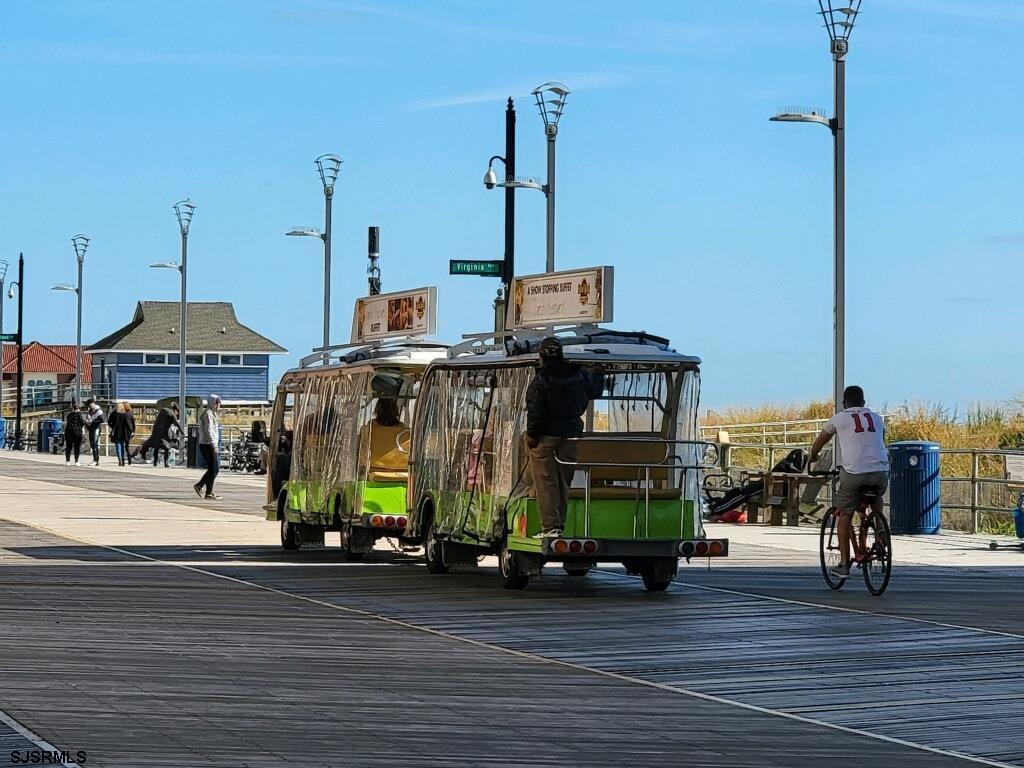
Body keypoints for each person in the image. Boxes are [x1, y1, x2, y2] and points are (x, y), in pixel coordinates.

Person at [808, 385, 890, 580]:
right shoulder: (877, 418)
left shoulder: (839, 418)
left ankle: (844, 565)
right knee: (877, 499)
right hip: (880, 471)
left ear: (845, 403)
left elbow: (821, 440)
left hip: (854, 473)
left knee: (845, 515)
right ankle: (881, 533)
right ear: (863, 402)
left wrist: (813, 456)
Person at [524, 337, 604, 537]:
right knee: (563, 481)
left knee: (546, 482)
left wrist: (532, 436)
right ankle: (559, 525)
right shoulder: (580, 375)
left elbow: (535, 411)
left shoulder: (541, 380)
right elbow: (596, 391)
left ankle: (550, 526)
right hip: (571, 435)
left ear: (541, 356)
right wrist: (599, 371)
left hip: (546, 436)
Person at [132, 402, 181, 467]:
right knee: (165, 448)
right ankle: (165, 463)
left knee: (156, 447)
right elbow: (177, 424)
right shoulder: (171, 414)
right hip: (165, 436)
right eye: (177, 412)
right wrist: (181, 432)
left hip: (158, 435)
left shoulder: (163, 413)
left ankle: (155, 462)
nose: (177, 414)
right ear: (175, 410)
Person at [193, 394, 222, 499]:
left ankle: (209, 492)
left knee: (213, 468)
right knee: (214, 468)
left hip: (210, 444)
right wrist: (214, 445)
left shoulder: (213, 414)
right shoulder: (208, 414)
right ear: (212, 403)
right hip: (207, 444)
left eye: (219, 403)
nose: (218, 405)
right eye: (216, 403)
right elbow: (209, 430)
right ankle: (200, 485)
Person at [110, 401, 136, 466]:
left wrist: (113, 427)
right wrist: (132, 431)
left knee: (117, 446)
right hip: (123, 432)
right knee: (122, 446)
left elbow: (109, 422)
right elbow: (128, 424)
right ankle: (122, 458)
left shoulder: (113, 414)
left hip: (116, 432)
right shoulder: (124, 414)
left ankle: (120, 460)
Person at [63, 400, 85, 467]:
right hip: (77, 432)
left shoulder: (69, 415)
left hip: (68, 432)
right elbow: (82, 422)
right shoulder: (79, 415)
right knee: (77, 447)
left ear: (72, 409)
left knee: (68, 447)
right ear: (78, 409)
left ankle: (68, 461)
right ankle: (76, 461)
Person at [84, 398, 105, 466]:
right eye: (89, 406)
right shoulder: (90, 410)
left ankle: (96, 460)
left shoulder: (98, 411)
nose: (90, 407)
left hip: (96, 428)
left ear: (93, 403)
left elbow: (101, 420)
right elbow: (88, 417)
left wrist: (92, 421)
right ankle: (95, 459)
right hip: (91, 428)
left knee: (94, 443)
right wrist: (86, 421)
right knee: (92, 444)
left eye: (90, 405)